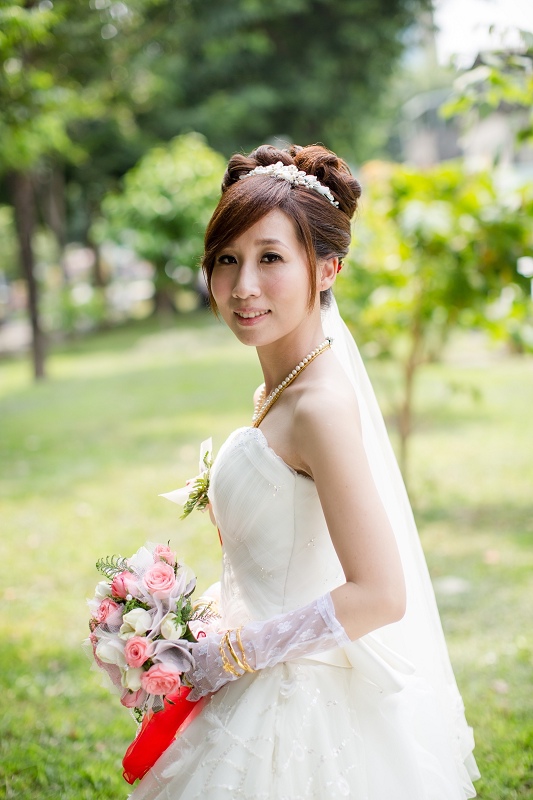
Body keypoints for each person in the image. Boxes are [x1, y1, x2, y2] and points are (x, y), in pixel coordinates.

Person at [129, 144, 479, 799]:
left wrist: (231, 655)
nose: (243, 287)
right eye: (226, 259)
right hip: (256, 670)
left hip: (299, 705)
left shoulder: (319, 406)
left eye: (270, 258)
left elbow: (380, 594)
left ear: (326, 269)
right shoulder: (277, 389)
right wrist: (183, 630)